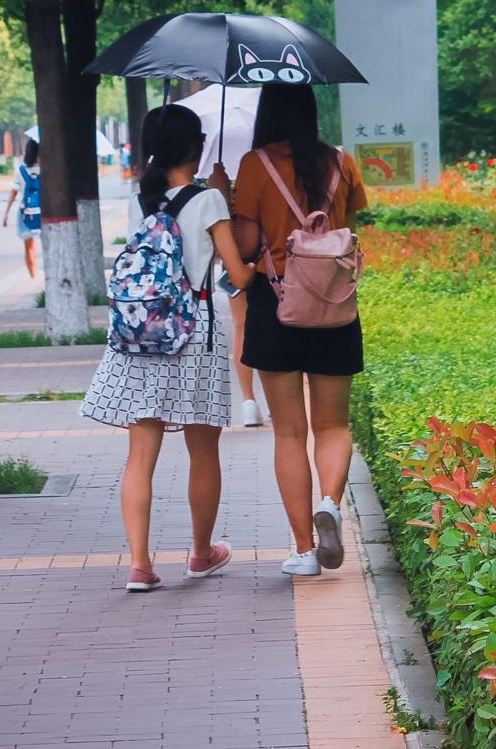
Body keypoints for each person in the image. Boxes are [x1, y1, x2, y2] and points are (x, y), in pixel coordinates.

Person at [79, 104, 255, 592]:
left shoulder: (143, 202)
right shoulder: (208, 202)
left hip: (142, 334)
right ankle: (200, 553)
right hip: (194, 331)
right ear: (196, 147)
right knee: (203, 449)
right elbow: (237, 276)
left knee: (141, 455)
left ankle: (140, 564)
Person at [230, 82, 369, 577]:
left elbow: (246, 247)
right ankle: (330, 502)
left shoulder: (254, 165)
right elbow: (347, 229)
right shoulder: (342, 163)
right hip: (333, 304)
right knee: (334, 425)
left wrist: (228, 199)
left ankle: (305, 550)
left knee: (289, 432)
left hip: (276, 302)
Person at [0, 137, 43, 276]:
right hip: (44, 212)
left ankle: (33, 275)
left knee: (28, 246)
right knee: (48, 244)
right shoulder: (47, 169)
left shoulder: (20, 170)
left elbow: (14, 192)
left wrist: (6, 213)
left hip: (26, 212)